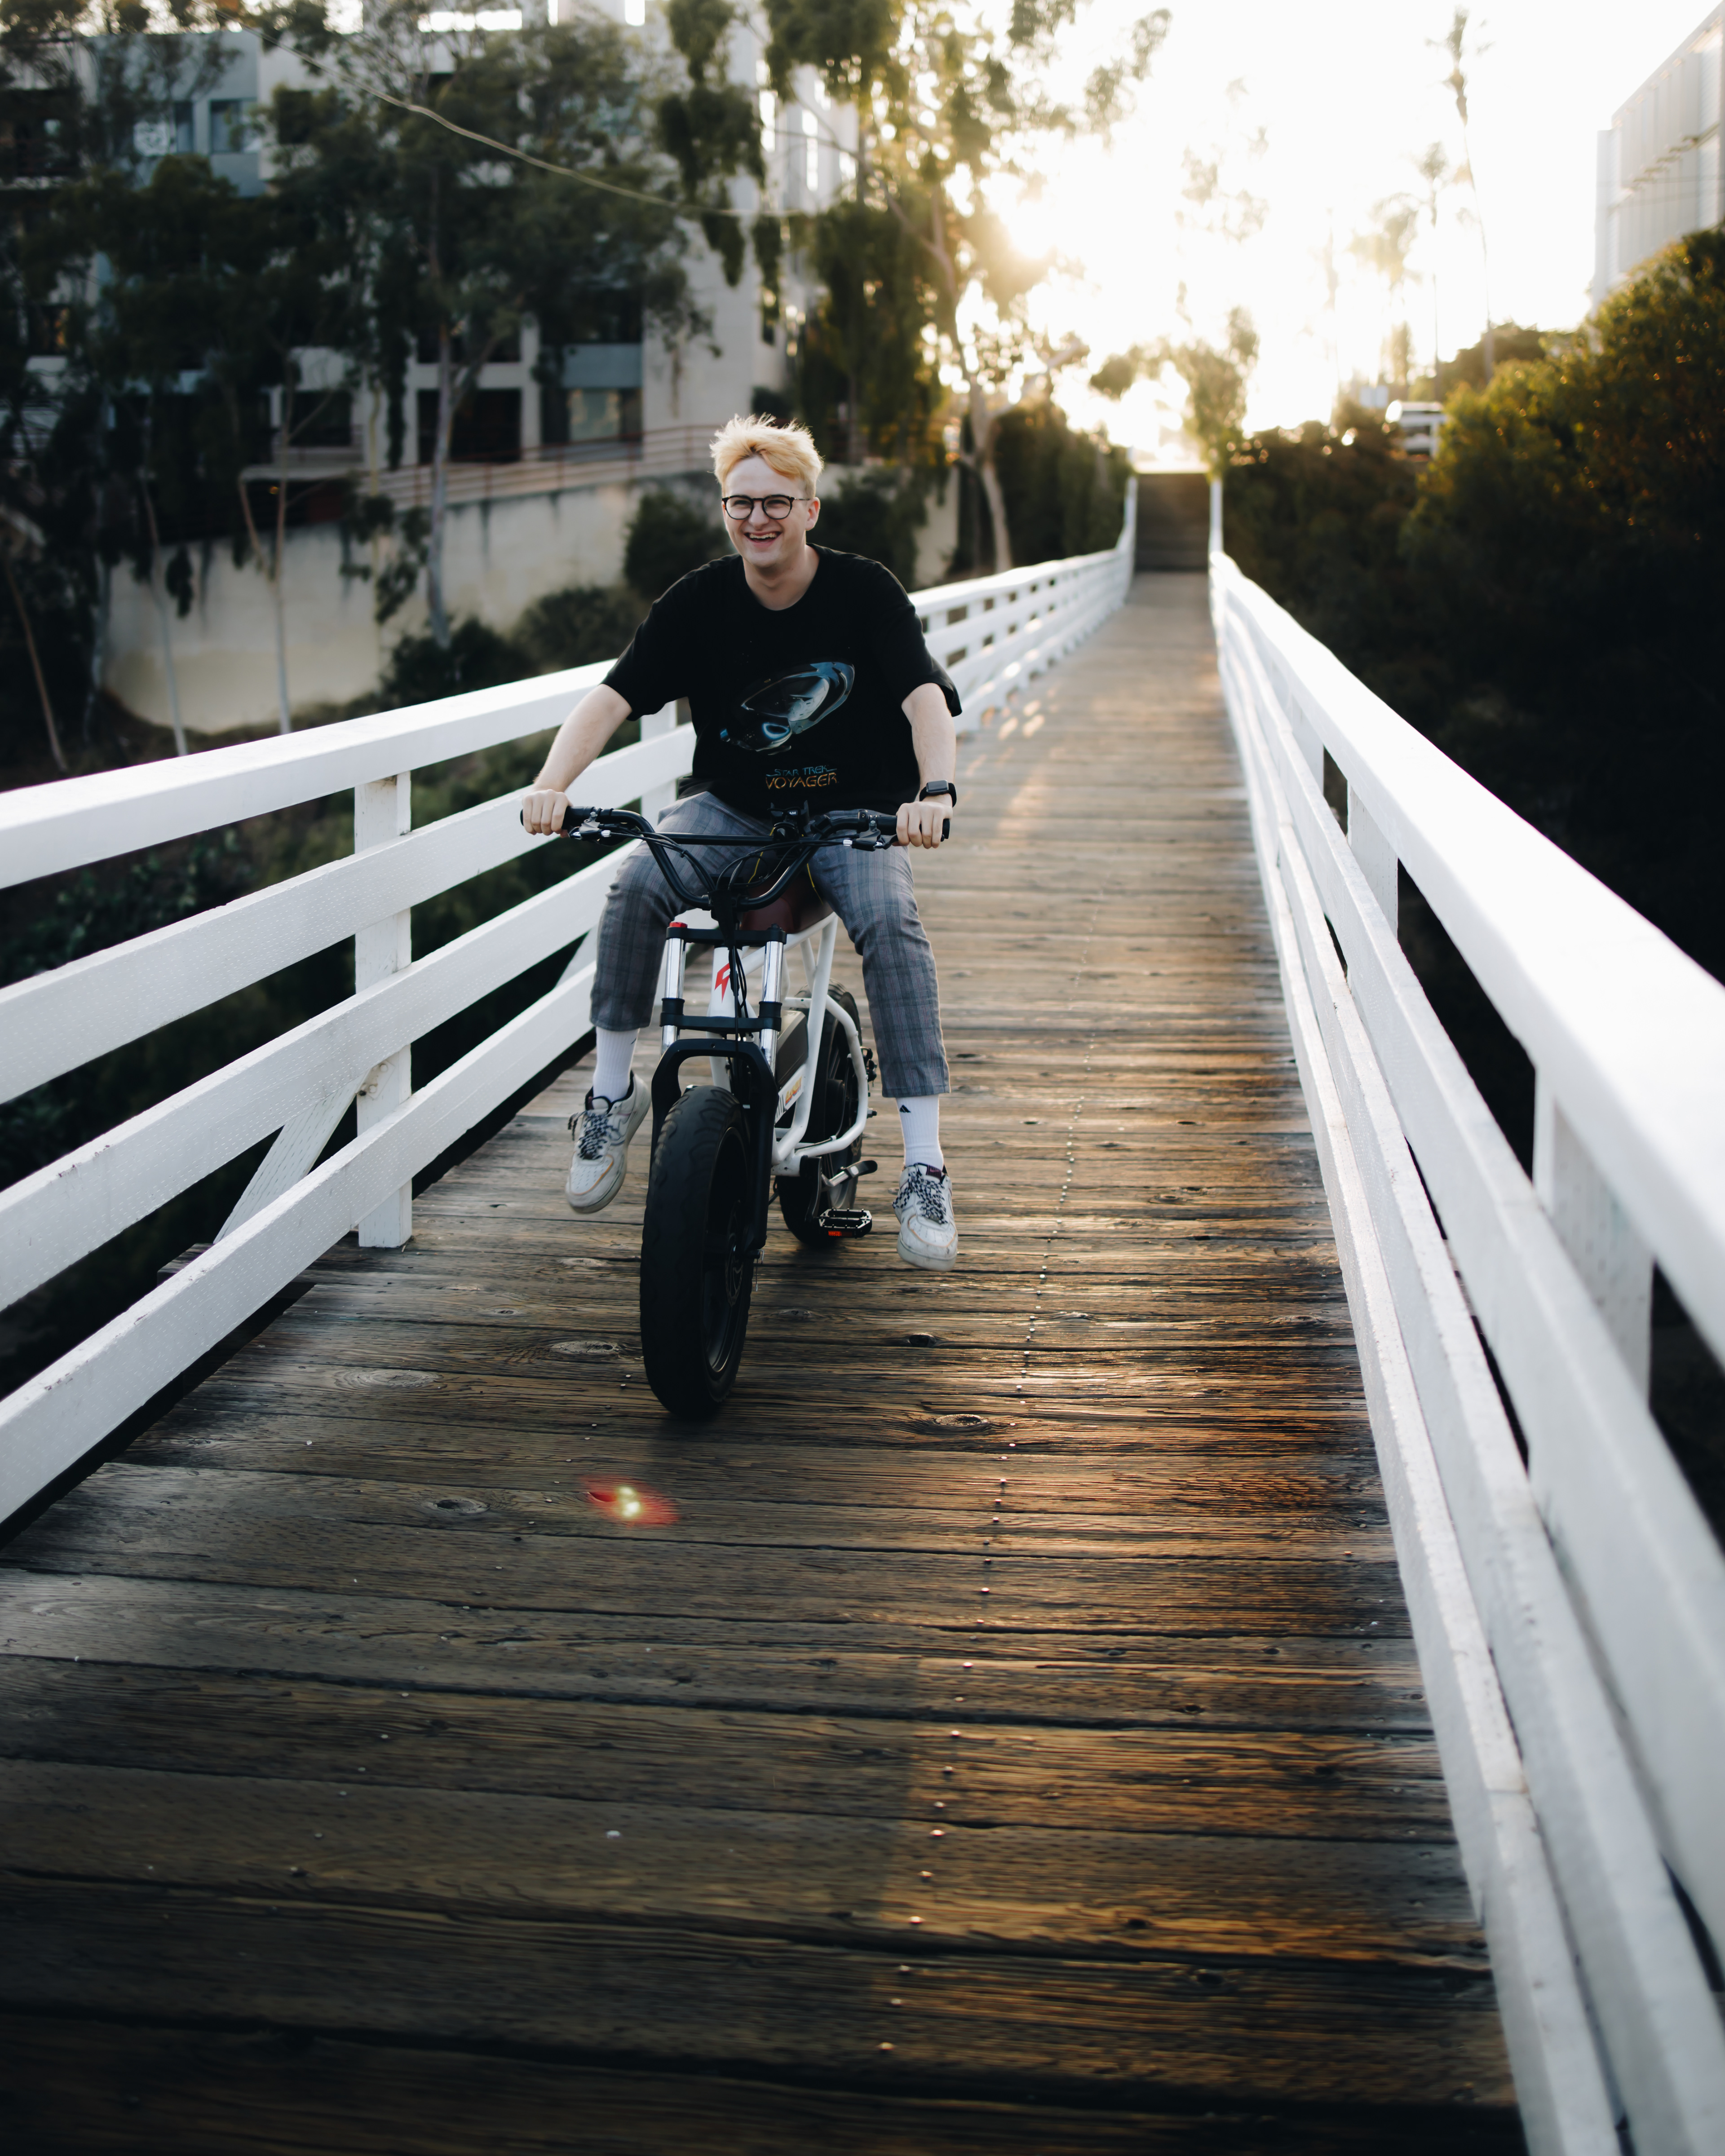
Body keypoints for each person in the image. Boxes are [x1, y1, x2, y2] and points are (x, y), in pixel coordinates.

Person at [520, 414, 962, 1271]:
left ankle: (925, 1166)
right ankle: (610, 1099)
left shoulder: (864, 591)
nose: (758, 519)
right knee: (636, 885)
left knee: (892, 925)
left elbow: (923, 698)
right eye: (740, 503)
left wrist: (933, 791)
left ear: (810, 510)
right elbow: (613, 697)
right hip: (735, 809)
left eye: (776, 503)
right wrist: (552, 784)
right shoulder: (698, 601)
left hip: (854, 814)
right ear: (725, 510)